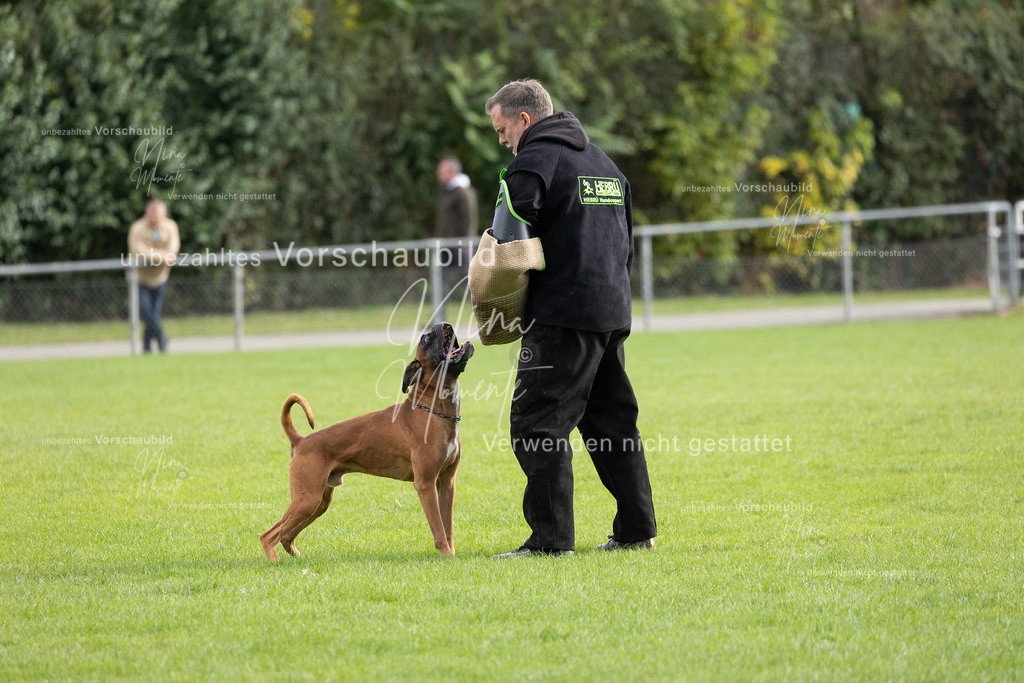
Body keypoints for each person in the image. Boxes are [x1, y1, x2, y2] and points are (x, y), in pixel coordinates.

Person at [485, 79, 657, 558]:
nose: (501, 140)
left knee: (537, 425)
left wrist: (496, 297)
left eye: (502, 129)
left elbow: (507, 247)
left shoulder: (533, 162)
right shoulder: (605, 164)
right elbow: (626, 238)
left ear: (524, 119)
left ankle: (551, 540)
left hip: (562, 316)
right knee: (612, 424)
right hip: (611, 312)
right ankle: (635, 530)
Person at [127, 198, 179, 353]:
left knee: (153, 314)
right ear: (146, 213)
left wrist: (160, 255)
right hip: (139, 279)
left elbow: (173, 248)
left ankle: (147, 347)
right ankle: (161, 337)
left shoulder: (170, 227)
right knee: (145, 311)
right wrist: (163, 257)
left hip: (160, 277)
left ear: (164, 214)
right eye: (151, 214)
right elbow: (139, 251)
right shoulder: (137, 228)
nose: (153, 218)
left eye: (157, 215)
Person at [435, 156, 478, 291]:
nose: (439, 174)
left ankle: (484, 310)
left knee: (469, 280)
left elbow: (469, 218)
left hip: (460, 245)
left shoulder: (463, 192)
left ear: (452, 172)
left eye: (442, 171)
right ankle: (439, 312)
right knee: (439, 279)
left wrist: (465, 242)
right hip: (446, 245)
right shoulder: (448, 192)